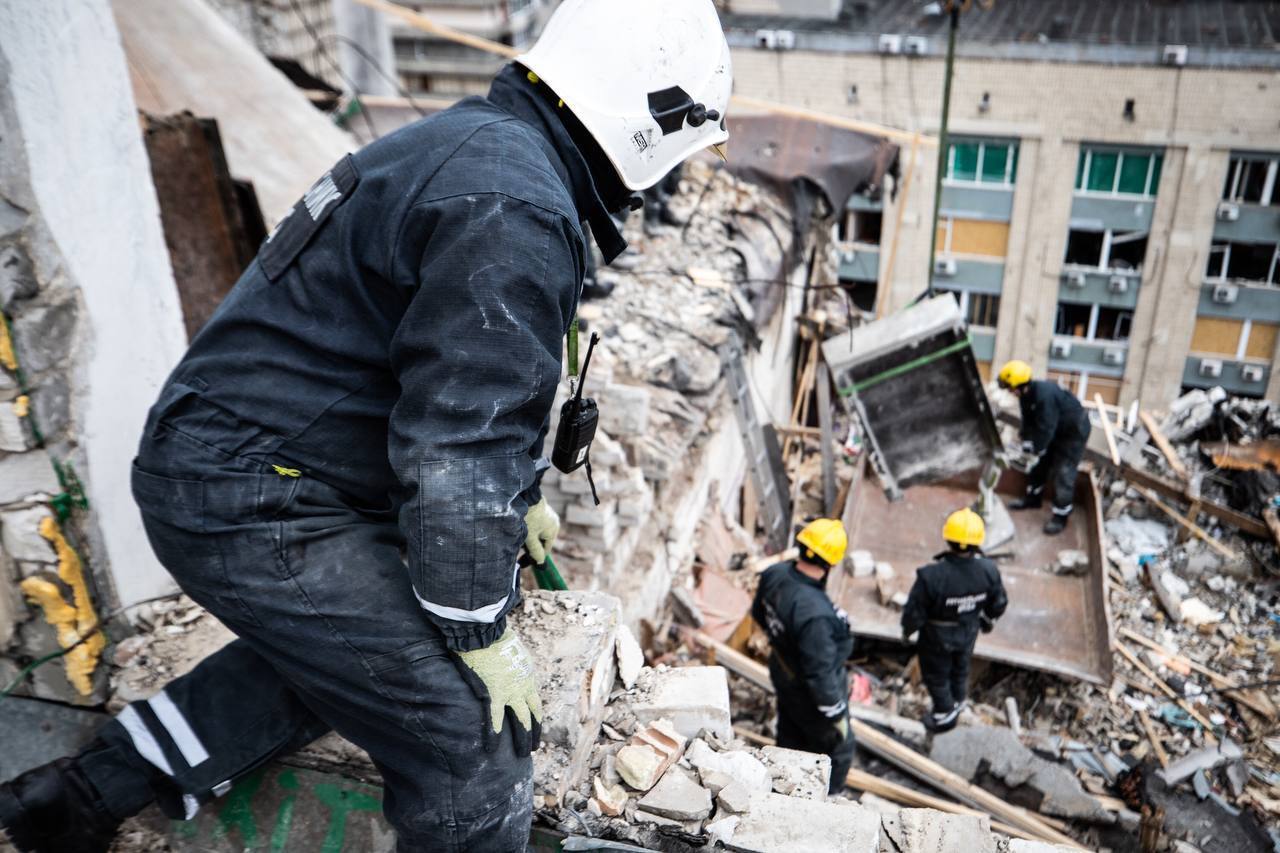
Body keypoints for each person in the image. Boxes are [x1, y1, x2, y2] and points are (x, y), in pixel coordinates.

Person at [0, 1, 732, 850]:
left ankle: (72, 800)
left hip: (239, 463)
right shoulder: (513, 207)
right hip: (253, 493)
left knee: (351, 667)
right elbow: (460, 444)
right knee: (471, 747)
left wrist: (517, 494)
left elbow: (450, 371)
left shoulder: (484, 152)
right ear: (650, 124)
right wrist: (478, 620)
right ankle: (77, 799)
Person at [752, 519, 856, 794]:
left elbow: (759, 613)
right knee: (840, 748)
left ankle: (781, 782)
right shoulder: (815, 615)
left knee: (791, 730)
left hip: (782, 669)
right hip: (808, 691)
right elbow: (819, 674)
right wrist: (835, 710)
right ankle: (829, 799)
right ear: (831, 563)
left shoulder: (774, 573)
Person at [901, 509, 1007, 733]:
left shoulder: (931, 576)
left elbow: (915, 612)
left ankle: (944, 715)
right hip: (968, 632)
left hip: (936, 637)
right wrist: (988, 620)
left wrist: (907, 631)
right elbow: (999, 602)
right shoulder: (988, 570)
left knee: (936, 675)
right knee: (960, 668)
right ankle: (958, 701)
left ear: (948, 538)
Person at [996, 359, 1092, 535]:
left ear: (1020, 385)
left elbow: (1046, 428)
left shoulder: (1044, 396)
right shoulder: (1025, 396)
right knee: (1039, 466)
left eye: (1010, 388)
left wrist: (1036, 450)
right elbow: (1028, 422)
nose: (1010, 392)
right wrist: (1026, 442)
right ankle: (1033, 498)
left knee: (1063, 472)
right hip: (1054, 429)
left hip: (1073, 433)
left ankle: (1060, 516)